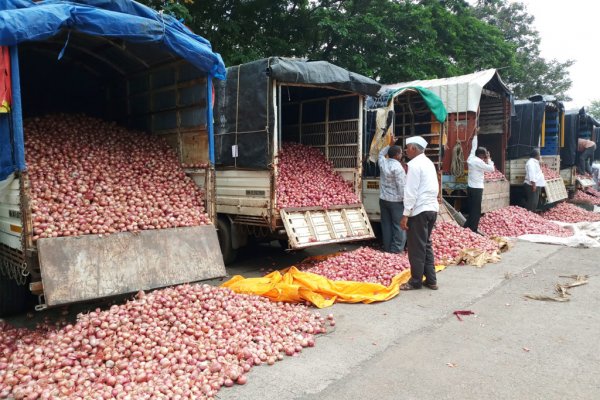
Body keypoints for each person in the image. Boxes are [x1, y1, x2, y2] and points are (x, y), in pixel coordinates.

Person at [399, 136, 440, 291]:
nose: (405, 150)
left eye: (407, 148)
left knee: (416, 247)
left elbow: (411, 192)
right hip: (431, 209)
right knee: (426, 244)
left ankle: (415, 280)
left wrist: (405, 214)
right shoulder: (429, 163)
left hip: (420, 210)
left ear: (414, 149)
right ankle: (431, 279)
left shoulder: (414, 165)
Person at [463, 130, 495, 233]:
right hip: (477, 189)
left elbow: (474, 147)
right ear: (481, 155)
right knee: (476, 210)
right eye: (485, 155)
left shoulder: (471, 157)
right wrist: (489, 159)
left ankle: (466, 226)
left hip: (470, 187)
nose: (485, 156)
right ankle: (473, 229)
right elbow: (491, 169)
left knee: (472, 208)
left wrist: (475, 135)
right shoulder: (478, 162)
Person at [378, 144, 407, 253]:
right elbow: (401, 186)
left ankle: (387, 248)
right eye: (400, 153)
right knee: (398, 226)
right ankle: (396, 250)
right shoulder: (398, 167)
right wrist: (406, 202)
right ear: (397, 156)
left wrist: (389, 145)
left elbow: (381, 154)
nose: (402, 154)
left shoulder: (383, 163)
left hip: (383, 200)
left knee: (386, 225)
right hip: (396, 201)